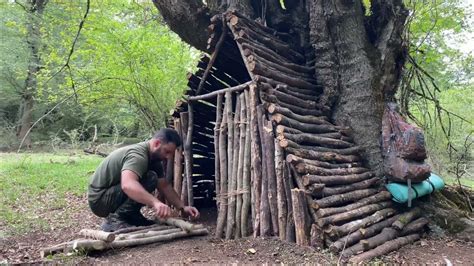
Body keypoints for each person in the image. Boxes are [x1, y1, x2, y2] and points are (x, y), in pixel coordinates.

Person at [87, 128, 199, 232]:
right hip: (99, 200)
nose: (168, 157)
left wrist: (182, 207)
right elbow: (128, 184)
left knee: (151, 177)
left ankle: (131, 216)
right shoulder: (138, 155)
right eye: (167, 151)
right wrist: (155, 203)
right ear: (156, 143)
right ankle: (115, 220)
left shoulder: (154, 159)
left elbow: (164, 185)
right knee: (150, 178)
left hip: (109, 196)